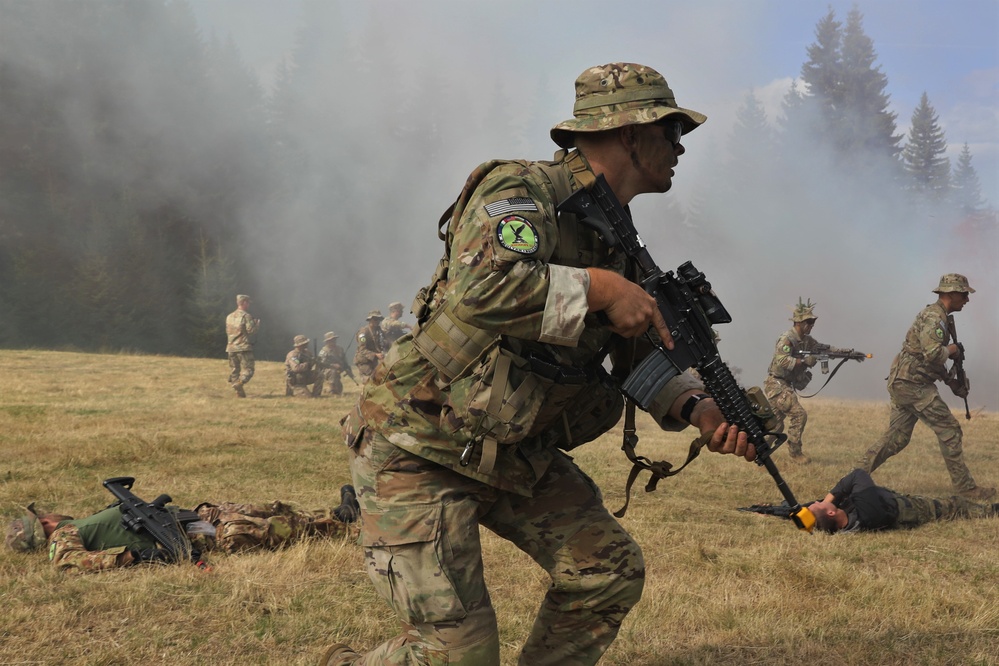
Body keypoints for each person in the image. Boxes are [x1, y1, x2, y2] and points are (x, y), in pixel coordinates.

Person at [323, 62, 756, 666]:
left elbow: (636, 361)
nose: (680, 148)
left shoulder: (616, 240)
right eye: (671, 130)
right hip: (420, 447)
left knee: (606, 572)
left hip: (510, 451)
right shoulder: (521, 191)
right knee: (458, 655)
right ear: (630, 133)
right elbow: (484, 290)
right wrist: (601, 289)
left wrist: (699, 408)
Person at [856, 274, 994, 500]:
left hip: (906, 382)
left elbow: (928, 359)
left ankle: (853, 478)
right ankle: (966, 489)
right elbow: (932, 354)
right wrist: (952, 349)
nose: (967, 300)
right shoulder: (934, 318)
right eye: (964, 294)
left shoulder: (940, 317)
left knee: (897, 437)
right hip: (913, 384)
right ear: (951, 293)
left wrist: (951, 382)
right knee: (950, 429)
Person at [5, 486, 360, 573]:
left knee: (261, 510)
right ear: (45, 525)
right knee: (249, 530)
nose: (51, 513)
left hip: (193, 516)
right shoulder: (63, 536)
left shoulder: (80, 523)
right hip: (200, 533)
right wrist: (135, 555)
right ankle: (340, 525)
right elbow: (69, 562)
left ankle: (334, 515)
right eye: (45, 515)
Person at [763, 298, 859, 464]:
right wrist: (804, 362)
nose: (812, 324)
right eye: (809, 321)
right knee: (799, 415)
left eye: (813, 321)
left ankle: (759, 452)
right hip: (777, 384)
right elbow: (782, 360)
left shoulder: (807, 340)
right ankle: (795, 453)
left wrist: (845, 353)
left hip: (784, 384)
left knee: (776, 426)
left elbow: (824, 349)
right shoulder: (787, 339)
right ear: (799, 323)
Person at [807, 468, 998, 533]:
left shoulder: (843, 520)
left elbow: (819, 514)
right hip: (913, 510)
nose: (820, 500)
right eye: (819, 503)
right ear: (831, 512)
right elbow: (858, 475)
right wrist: (829, 498)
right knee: (956, 505)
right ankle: (993, 511)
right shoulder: (867, 512)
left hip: (895, 502)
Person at [225, 294, 259, 398]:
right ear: (244, 303)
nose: (248, 305)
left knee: (235, 370)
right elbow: (251, 330)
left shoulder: (229, 316)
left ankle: (239, 393)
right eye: (248, 303)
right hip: (243, 348)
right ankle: (239, 384)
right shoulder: (246, 316)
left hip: (231, 347)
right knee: (249, 369)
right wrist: (256, 325)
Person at [353, 311, 385, 384]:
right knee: (369, 381)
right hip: (363, 360)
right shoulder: (363, 332)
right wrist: (376, 354)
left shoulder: (378, 332)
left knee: (378, 379)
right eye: (375, 319)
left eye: (379, 319)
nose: (377, 321)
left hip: (373, 360)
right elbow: (362, 349)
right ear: (370, 320)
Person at [317, 331, 350, 397]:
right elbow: (320, 363)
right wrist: (332, 365)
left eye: (334, 339)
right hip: (326, 370)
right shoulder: (324, 351)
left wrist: (347, 368)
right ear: (327, 341)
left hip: (337, 370)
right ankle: (331, 390)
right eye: (331, 340)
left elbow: (344, 361)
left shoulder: (340, 349)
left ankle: (329, 390)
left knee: (339, 389)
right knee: (333, 372)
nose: (333, 341)